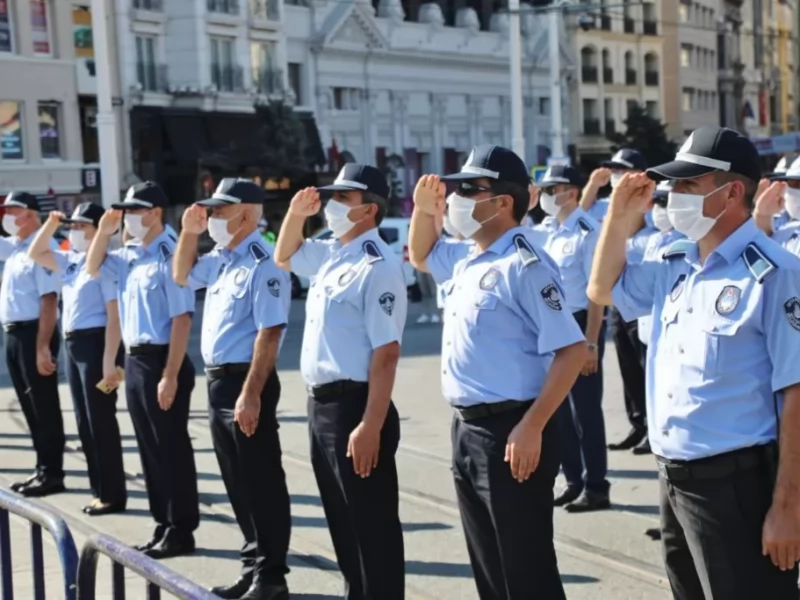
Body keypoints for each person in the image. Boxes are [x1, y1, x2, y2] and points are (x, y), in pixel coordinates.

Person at [587, 126, 800, 599]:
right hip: (673, 480)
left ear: (733, 192)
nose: (673, 194)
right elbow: (602, 289)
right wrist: (618, 218)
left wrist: (788, 506)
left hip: (736, 486)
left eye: (688, 184)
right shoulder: (673, 262)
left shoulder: (777, 275)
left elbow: (796, 396)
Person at [408, 145, 588, 599]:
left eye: (471, 189)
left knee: (525, 571)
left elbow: (571, 351)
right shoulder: (469, 257)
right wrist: (422, 209)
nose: (458, 198)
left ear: (503, 202)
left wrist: (532, 426)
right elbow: (421, 253)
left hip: (513, 429)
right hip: (468, 429)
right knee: (490, 567)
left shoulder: (525, 265)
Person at [274, 164, 407, 600]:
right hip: (323, 407)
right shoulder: (332, 252)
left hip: (357, 406)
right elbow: (285, 255)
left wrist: (370, 425)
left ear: (369, 210)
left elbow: (386, 354)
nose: (332, 206)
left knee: (372, 528)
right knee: (343, 523)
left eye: (343, 199)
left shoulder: (378, 265)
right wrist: (296, 213)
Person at [174, 179, 292, 600]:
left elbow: (270, 331)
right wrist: (188, 232)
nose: (213, 218)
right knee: (237, 482)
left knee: (261, 480)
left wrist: (252, 393)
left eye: (221, 211)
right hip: (219, 381)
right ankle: (251, 565)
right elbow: (182, 274)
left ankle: (272, 576)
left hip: (247, 380)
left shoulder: (264, 261)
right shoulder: (222, 258)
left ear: (246, 214)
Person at [86, 181, 199, 559]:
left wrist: (170, 374)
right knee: (149, 449)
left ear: (155, 213)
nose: (129, 217)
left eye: (135, 210)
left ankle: (181, 528)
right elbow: (91, 265)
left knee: (171, 448)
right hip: (135, 360)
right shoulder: (129, 253)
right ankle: (162, 523)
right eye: (126, 211)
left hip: (163, 358)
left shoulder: (170, 252)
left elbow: (182, 319)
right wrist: (104, 231)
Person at [27, 203, 127, 514]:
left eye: (82, 227)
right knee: (84, 422)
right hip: (73, 346)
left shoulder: (106, 266)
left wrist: (110, 362)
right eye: (74, 226)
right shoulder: (71, 262)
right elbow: (36, 252)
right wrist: (51, 224)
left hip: (96, 346)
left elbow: (115, 319)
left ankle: (112, 493)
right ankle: (99, 489)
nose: (76, 231)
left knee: (100, 421)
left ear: (101, 230)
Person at [527, 165, 609, 512]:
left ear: (572, 192)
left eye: (553, 188)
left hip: (580, 323)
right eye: (544, 190)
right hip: (553, 323)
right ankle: (572, 479)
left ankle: (596, 486)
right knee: (558, 409)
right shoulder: (545, 230)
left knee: (585, 412)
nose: (547, 195)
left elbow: (596, 291)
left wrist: (591, 341)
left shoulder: (588, 230)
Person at [0, 192, 65, 497]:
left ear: (31, 214)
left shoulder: (44, 247)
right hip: (14, 334)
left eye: (13, 210)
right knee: (29, 406)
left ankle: (53, 473)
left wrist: (42, 346)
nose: (7, 216)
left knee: (44, 405)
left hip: (34, 333)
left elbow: (49, 300)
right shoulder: (15, 248)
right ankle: (42, 468)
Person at [579, 148, 647, 223]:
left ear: (640, 173)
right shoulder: (605, 205)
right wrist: (593, 184)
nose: (615, 172)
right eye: (613, 168)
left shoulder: (650, 204)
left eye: (621, 168)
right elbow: (579, 214)